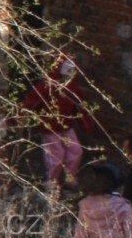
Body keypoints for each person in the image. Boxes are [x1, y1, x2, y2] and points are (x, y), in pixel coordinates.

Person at [21, 52, 92, 195]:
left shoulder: (72, 87)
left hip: (66, 126)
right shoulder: (47, 85)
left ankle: (69, 178)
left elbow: (80, 107)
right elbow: (32, 101)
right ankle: (52, 182)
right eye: (67, 68)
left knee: (76, 151)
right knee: (56, 156)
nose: (70, 71)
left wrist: (86, 124)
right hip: (50, 128)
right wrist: (23, 116)